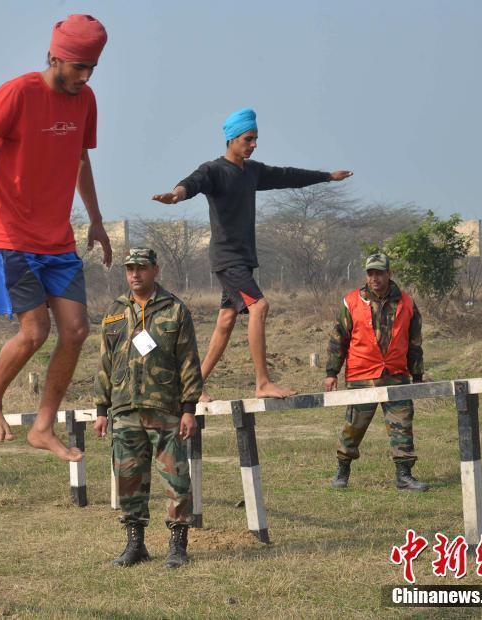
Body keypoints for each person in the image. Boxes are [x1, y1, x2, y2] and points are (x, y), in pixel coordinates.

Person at [0, 14, 112, 462]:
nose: (85, 76)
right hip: (11, 236)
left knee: (75, 330)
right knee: (35, 330)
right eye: (78, 67)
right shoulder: (18, 92)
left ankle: (42, 425)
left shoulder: (85, 99)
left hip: (57, 242)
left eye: (92, 67)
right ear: (55, 56)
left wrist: (95, 219)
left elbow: (81, 161)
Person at [152, 107, 353, 400]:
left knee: (226, 320)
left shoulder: (253, 172)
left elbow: (288, 176)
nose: (254, 144)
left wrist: (326, 177)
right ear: (232, 139)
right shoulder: (214, 170)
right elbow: (191, 183)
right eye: (249, 139)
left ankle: (193, 386)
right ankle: (262, 383)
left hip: (242, 259)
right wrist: (176, 194)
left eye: (256, 138)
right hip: (227, 257)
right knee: (259, 307)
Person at [94, 248, 203, 569]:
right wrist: (102, 409)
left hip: (165, 408)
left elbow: (188, 360)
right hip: (124, 409)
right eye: (129, 268)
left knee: (175, 477)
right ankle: (135, 544)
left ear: (155, 269)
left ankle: (178, 545)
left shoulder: (174, 310)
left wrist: (188, 408)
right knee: (128, 478)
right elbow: (104, 363)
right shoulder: (114, 312)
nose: (135, 274)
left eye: (141, 267)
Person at [324, 253, 429, 491]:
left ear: (389, 274)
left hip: (396, 374)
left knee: (402, 425)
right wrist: (332, 372)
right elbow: (338, 339)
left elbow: (415, 343)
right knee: (354, 426)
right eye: (371, 273)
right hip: (362, 374)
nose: (375, 278)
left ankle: (404, 476)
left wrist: (418, 376)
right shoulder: (351, 302)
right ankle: (342, 471)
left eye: (380, 273)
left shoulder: (407, 302)